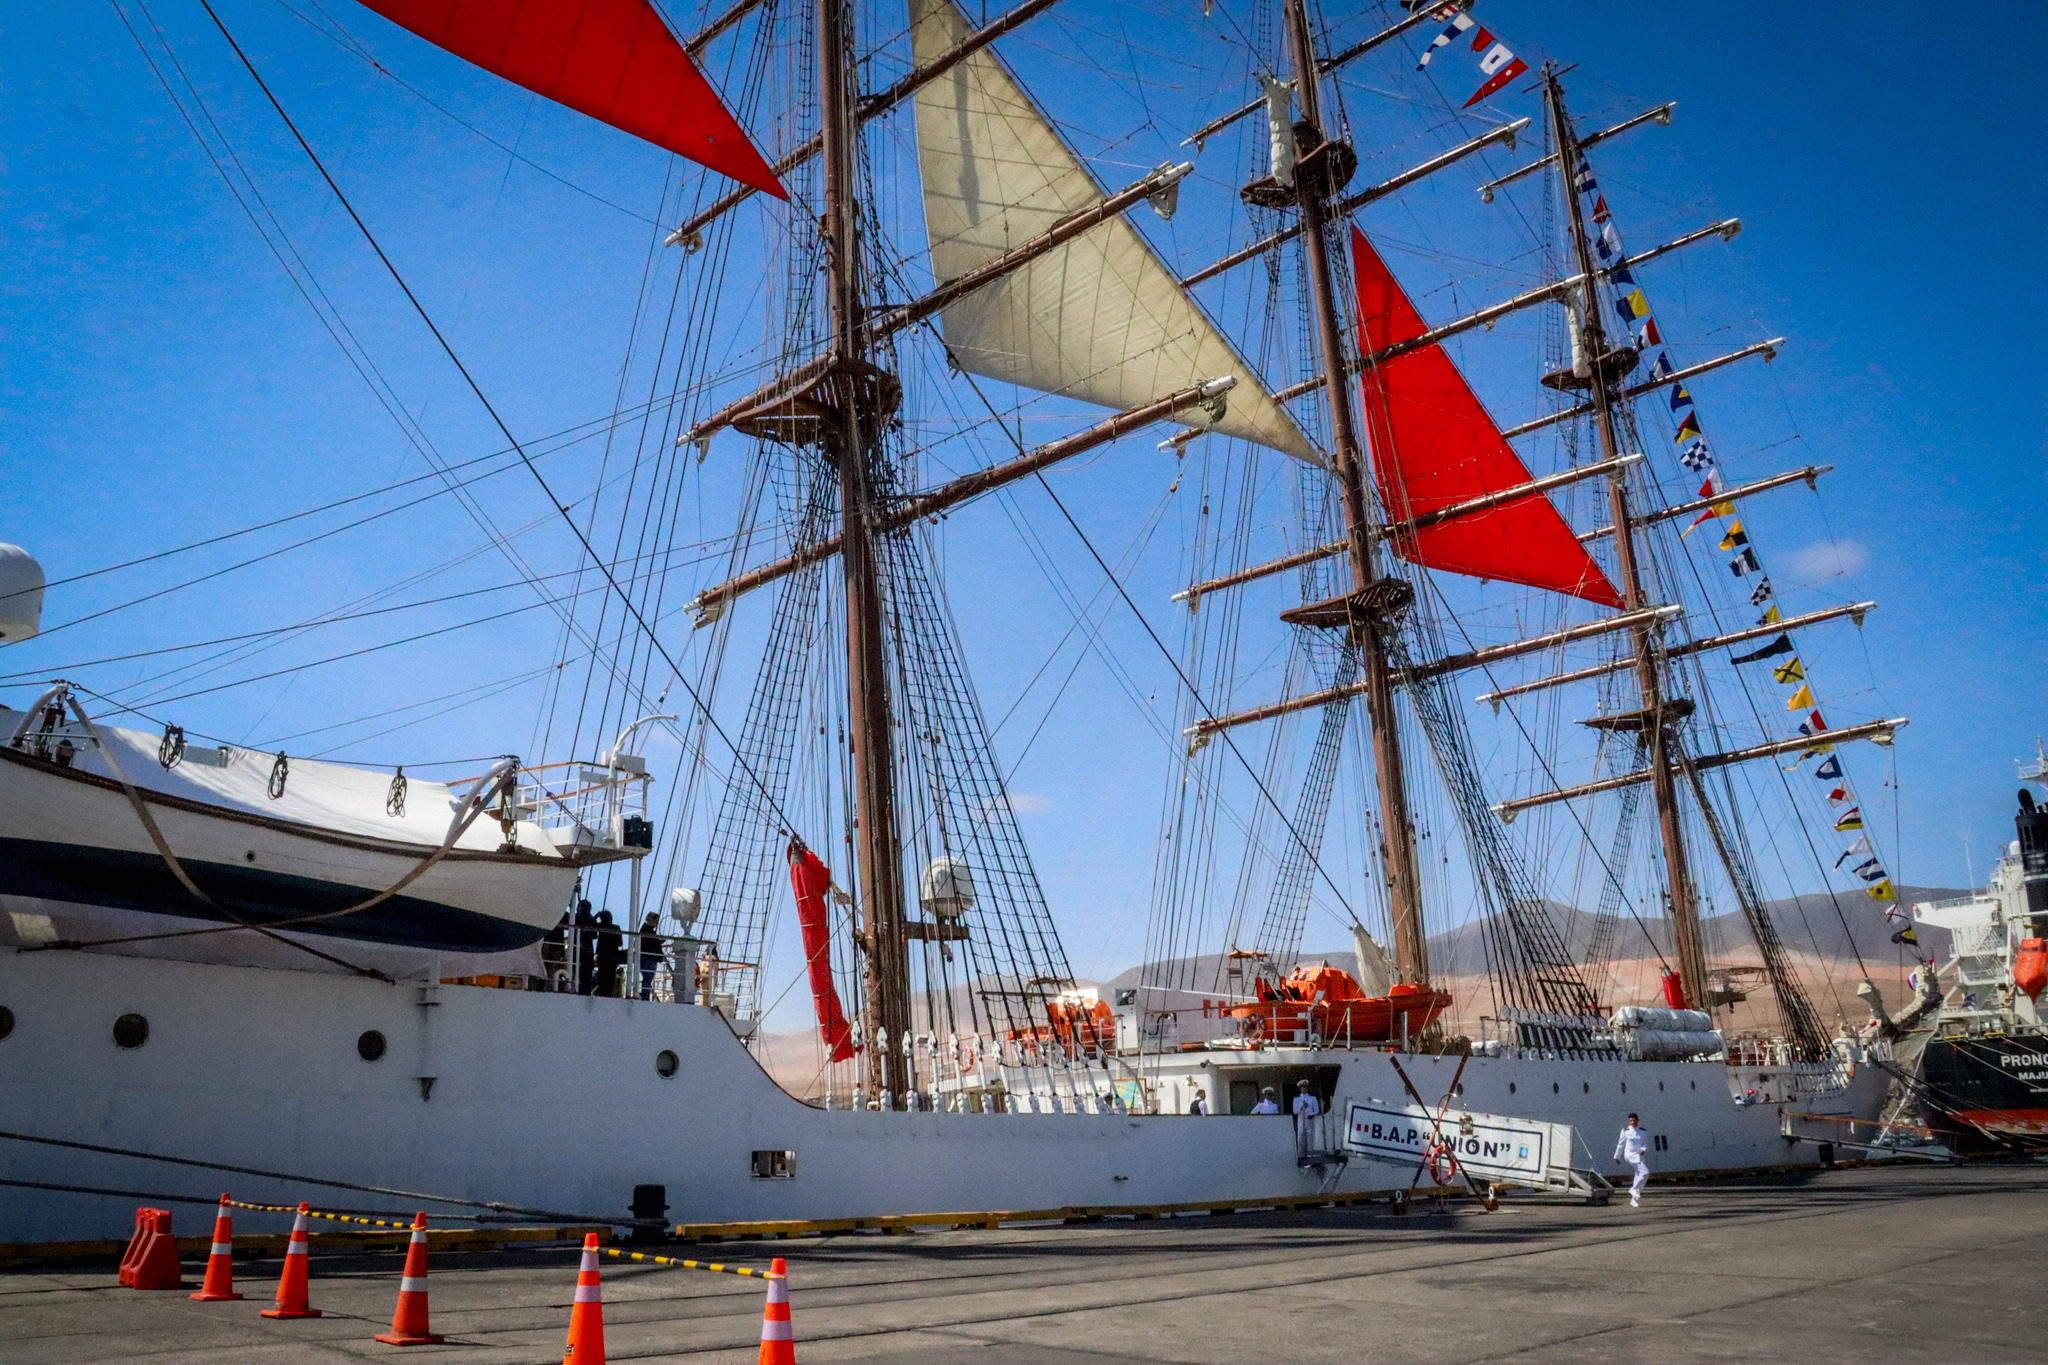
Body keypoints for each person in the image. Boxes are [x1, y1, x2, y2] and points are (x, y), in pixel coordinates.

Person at [1614, 1112, 1651, 1207]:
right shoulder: (1625, 1131)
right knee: (1645, 1172)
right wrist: (1617, 1156)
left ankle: (1634, 1199)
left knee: (1639, 1175)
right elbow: (1621, 1144)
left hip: (1640, 1156)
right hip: (1630, 1156)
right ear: (1628, 1121)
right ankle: (1633, 1189)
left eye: (1634, 1120)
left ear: (1638, 1121)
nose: (1632, 1122)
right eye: (1630, 1120)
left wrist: (1643, 1150)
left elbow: (1645, 1144)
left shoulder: (1643, 1132)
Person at [593, 910, 624, 998]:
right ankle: (608, 993)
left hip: (602, 955)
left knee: (602, 976)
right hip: (613, 956)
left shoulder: (601, 926)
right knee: (610, 977)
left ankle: (602, 992)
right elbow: (620, 943)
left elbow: (591, 924)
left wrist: (596, 915)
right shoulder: (616, 927)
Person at [1291, 1079, 1322, 1158]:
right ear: (1300, 1088)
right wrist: (1301, 1107)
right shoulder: (1296, 1099)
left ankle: (1310, 1156)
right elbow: (1295, 1111)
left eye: (1305, 1087)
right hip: (1301, 1121)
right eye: (1302, 1087)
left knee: (1310, 1139)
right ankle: (1301, 1157)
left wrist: (1311, 1114)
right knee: (1301, 1139)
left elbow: (1317, 1110)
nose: (1304, 1088)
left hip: (1310, 1121)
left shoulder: (1312, 1098)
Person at [572, 899, 597, 995]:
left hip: (582, 948)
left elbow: (594, 935)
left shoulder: (575, 918)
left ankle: (580, 989)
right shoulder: (590, 919)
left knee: (581, 970)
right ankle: (583, 989)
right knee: (583, 971)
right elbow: (595, 935)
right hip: (584, 948)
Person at [637, 913, 664, 1001]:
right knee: (648, 978)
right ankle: (645, 996)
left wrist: (658, 942)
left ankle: (645, 995)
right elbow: (650, 944)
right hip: (648, 958)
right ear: (651, 919)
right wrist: (658, 942)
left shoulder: (646, 930)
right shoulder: (647, 930)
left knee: (648, 979)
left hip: (649, 958)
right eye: (656, 920)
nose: (656, 923)